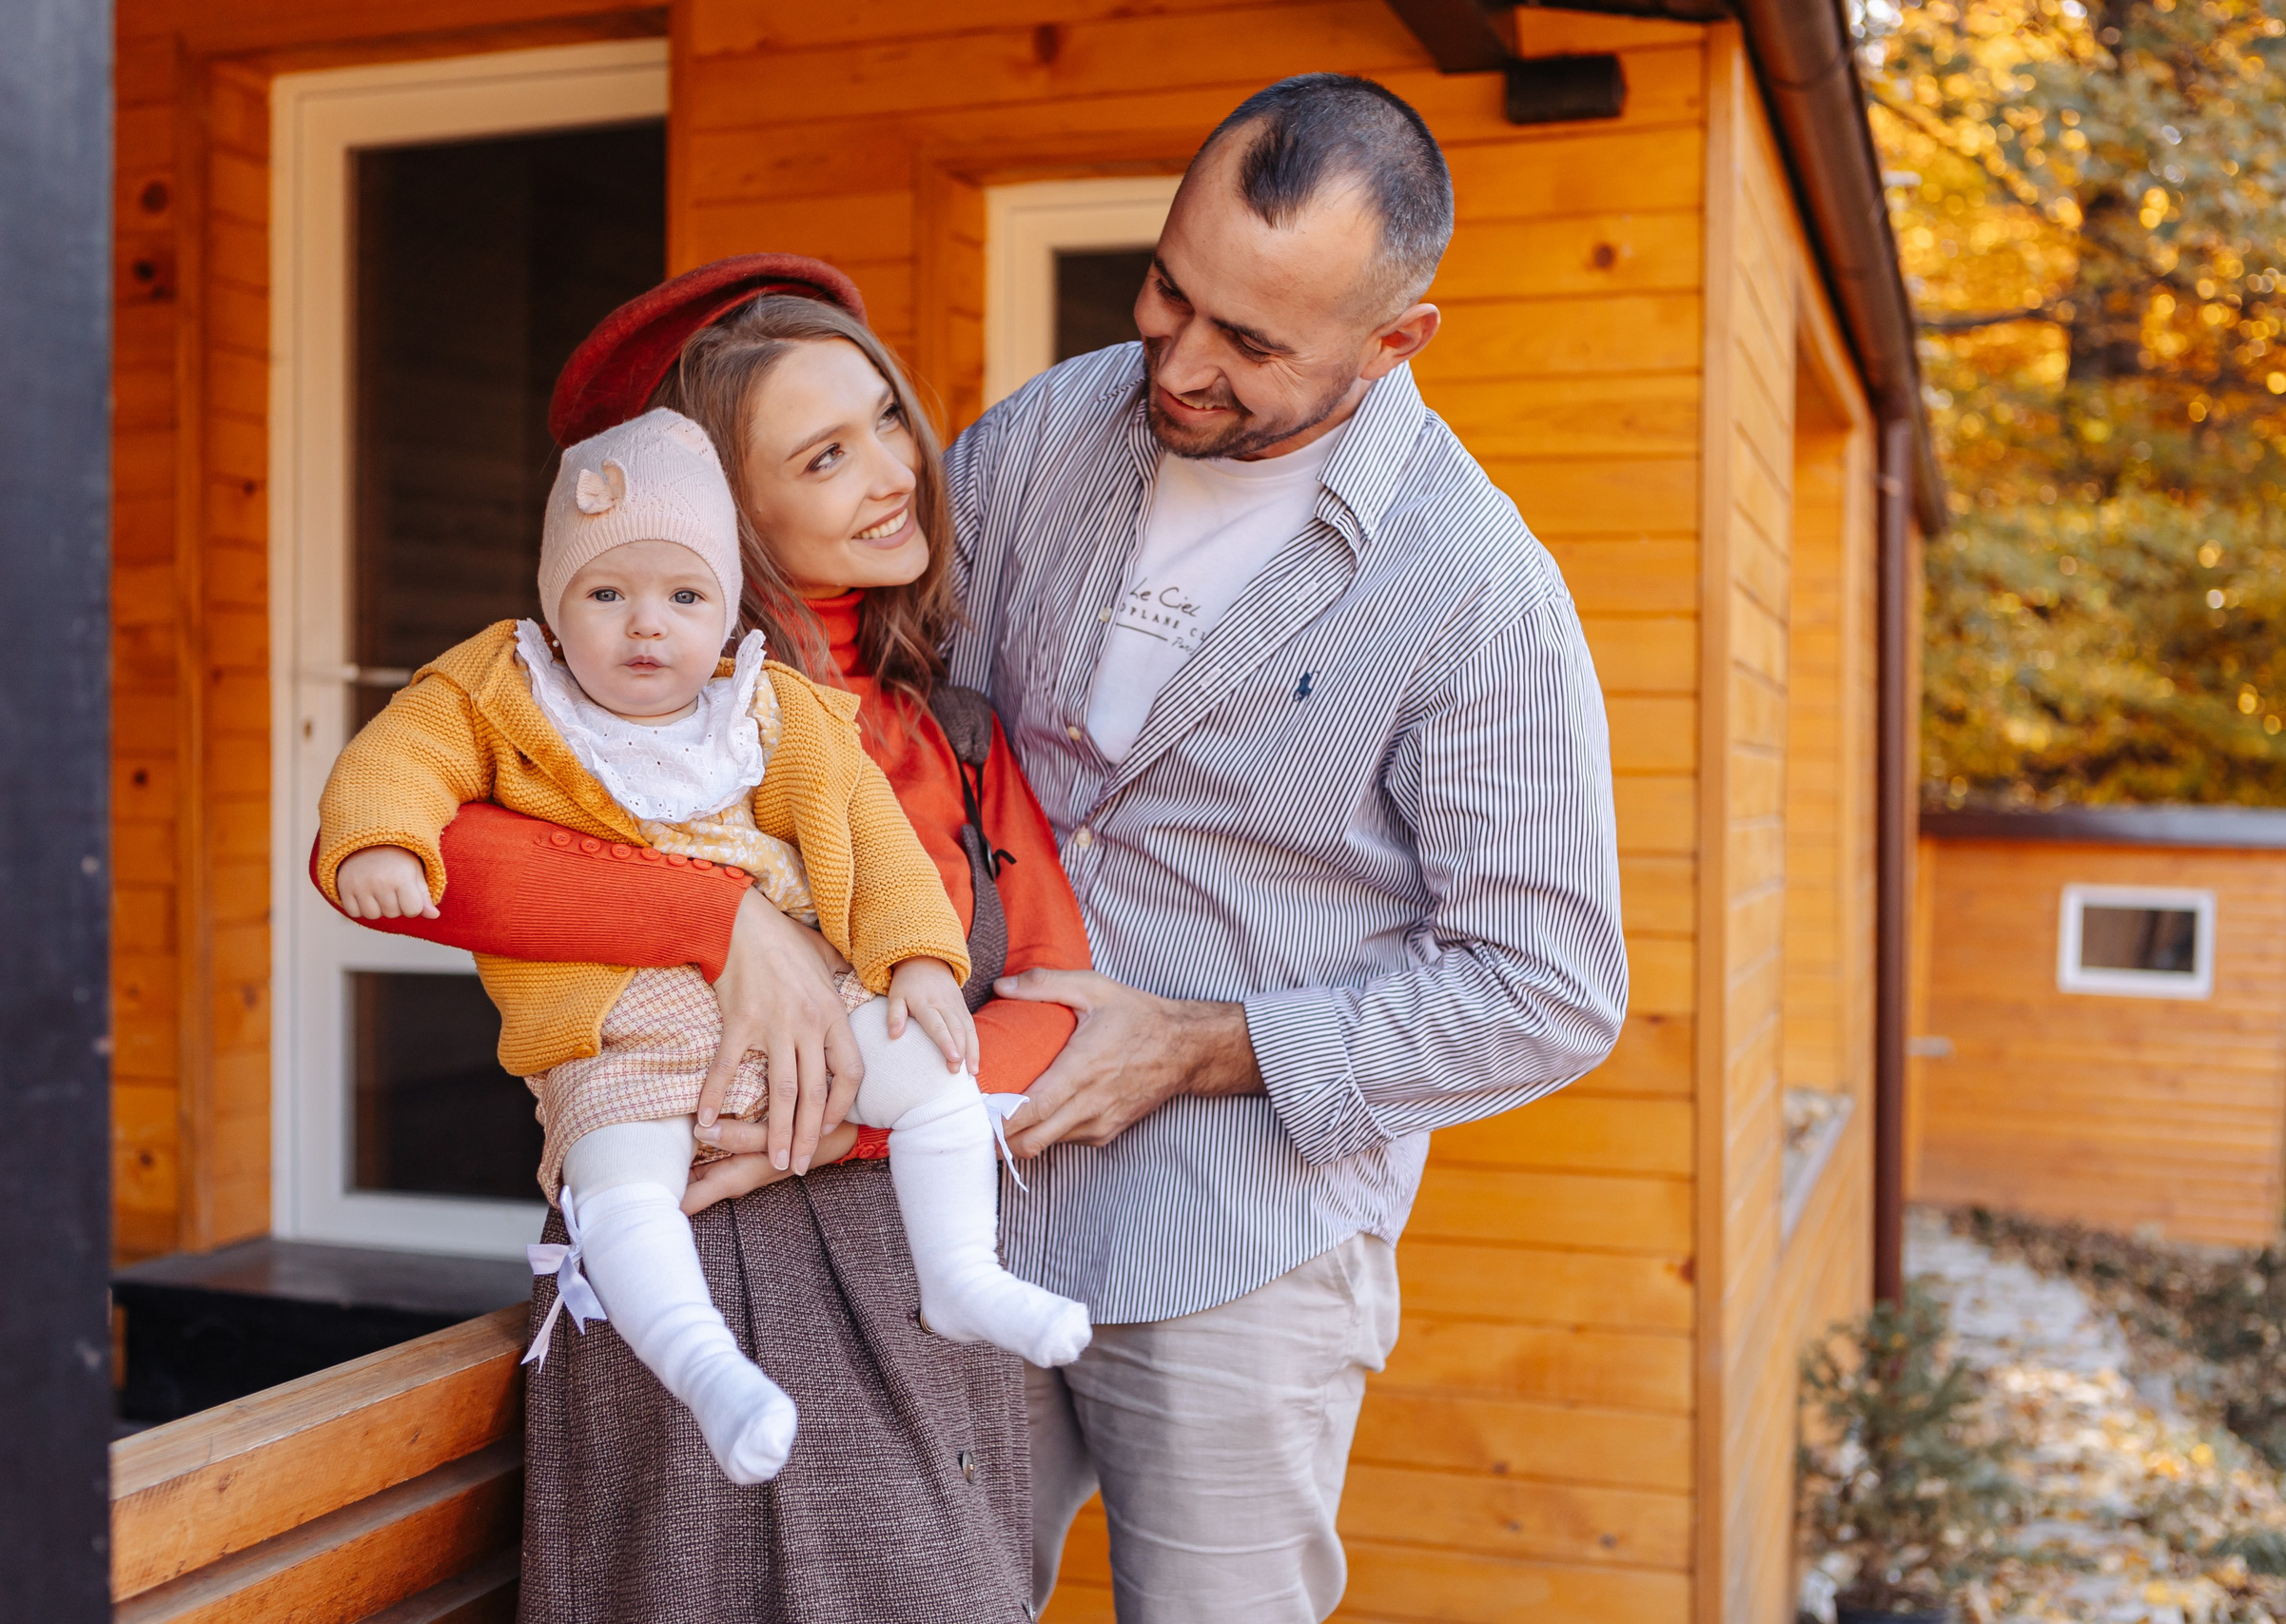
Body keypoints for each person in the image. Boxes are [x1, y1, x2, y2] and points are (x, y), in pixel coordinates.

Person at [366, 68, 1627, 1623]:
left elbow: (1551, 988)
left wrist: (1206, 1044)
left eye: (1252, 343)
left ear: (1395, 341)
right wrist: (725, 928)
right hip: (928, 1214)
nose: (1181, 360)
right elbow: (859, 712)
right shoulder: (1043, 437)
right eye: (1172, 290)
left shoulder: (1479, 591)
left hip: (1229, 1231)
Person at [329, 256, 1096, 1624]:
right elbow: (431, 862)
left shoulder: (953, 731)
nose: (892, 471)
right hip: (707, 1261)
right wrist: (722, 913)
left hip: (910, 1259)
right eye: (825, 454)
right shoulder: (626, 737)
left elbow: (1050, 995)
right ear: (722, 522)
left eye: (882, 422)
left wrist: (850, 1115)